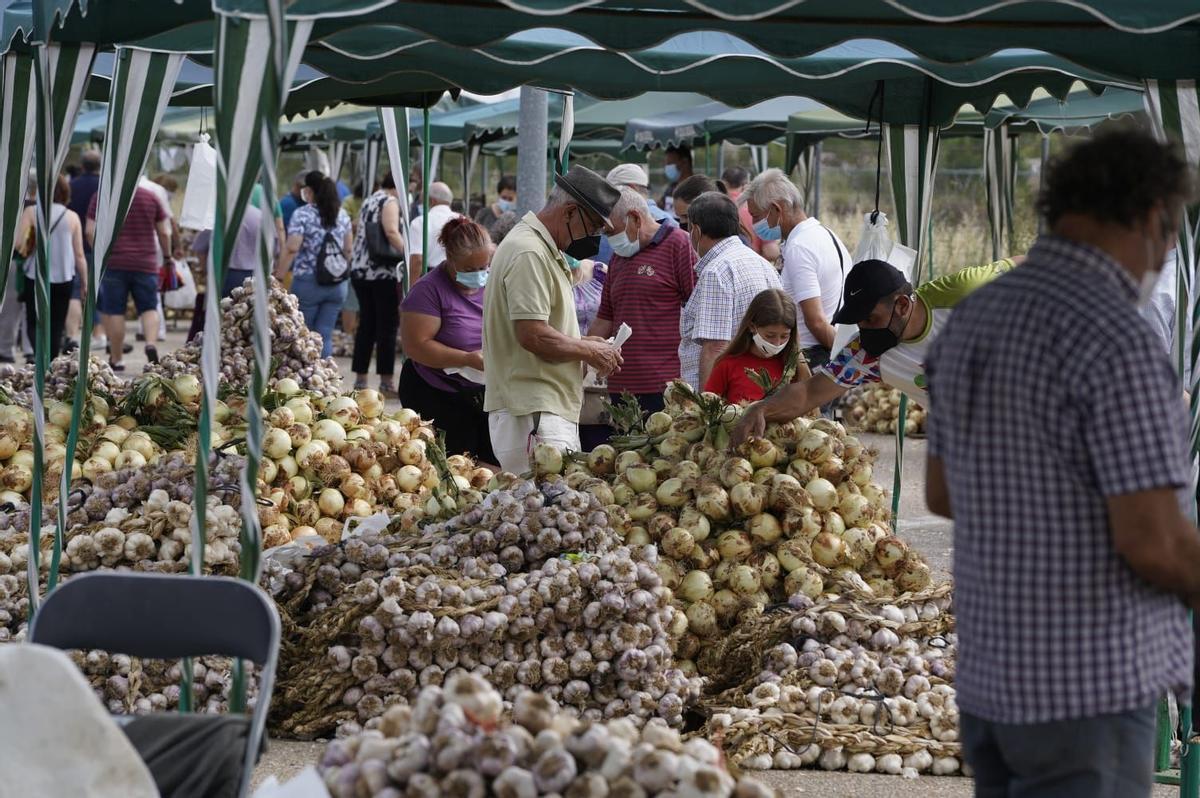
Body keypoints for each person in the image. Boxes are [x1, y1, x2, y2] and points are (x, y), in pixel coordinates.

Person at [923, 128, 1199, 797]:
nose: (1167, 254)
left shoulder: (974, 317)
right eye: (1173, 236)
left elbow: (942, 492)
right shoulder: (1118, 337)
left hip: (993, 682)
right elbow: (1153, 540)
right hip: (1087, 691)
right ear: (1148, 217)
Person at [730, 255, 1017, 445]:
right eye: (859, 322)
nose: (865, 330)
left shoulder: (964, 292)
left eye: (872, 319)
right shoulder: (865, 355)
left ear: (903, 305)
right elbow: (809, 392)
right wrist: (761, 409)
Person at [483, 164, 624, 474]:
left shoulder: (542, 249)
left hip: (542, 406)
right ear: (570, 212)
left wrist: (584, 342)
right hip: (533, 410)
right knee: (543, 510)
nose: (591, 238)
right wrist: (589, 351)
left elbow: (541, 328)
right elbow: (532, 335)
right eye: (591, 228)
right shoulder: (529, 252)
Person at [589, 186, 696, 415]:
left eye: (611, 232)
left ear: (635, 218)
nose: (609, 239)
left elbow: (697, 312)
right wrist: (582, 352)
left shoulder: (679, 244)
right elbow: (605, 317)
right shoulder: (618, 257)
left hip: (665, 389)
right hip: (621, 390)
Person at [400, 217, 496, 464]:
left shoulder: (494, 281)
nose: (478, 275)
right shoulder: (427, 291)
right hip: (435, 391)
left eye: (483, 267)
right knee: (458, 464)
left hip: (482, 390)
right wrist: (465, 358)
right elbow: (416, 346)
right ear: (450, 260)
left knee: (491, 461)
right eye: (469, 270)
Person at [743, 168, 851, 369]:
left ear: (776, 209)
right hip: (829, 349)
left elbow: (816, 322)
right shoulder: (826, 234)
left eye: (756, 216)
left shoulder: (800, 247)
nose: (755, 224)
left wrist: (846, 361)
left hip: (811, 357)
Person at [678, 191, 782, 390]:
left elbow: (714, 347)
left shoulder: (716, 271)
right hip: (756, 385)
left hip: (726, 397)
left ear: (696, 231)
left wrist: (707, 409)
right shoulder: (762, 264)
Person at [87, 181, 170, 371]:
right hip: (146, 263)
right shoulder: (151, 197)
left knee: (115, 311)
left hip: (114, 263)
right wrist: (168, 257)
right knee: (149, 308)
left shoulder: (103, 196)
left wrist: (101, 254)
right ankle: (151, 345)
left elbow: (90, 230)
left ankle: (117, 358)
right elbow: (164, 232)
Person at [276, 172, 353, 359]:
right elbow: (348, 250)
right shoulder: (342, 215)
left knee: (303, 333)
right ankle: (324, 379)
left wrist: (279, 275)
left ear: (309, 191)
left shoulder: (302, 214)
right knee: (324, 334)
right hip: (337, 284)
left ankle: (305, 381)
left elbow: (292, 247)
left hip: (308, 282)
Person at [13, 175, 86, 360]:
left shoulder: (32, 212)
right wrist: (85, 281)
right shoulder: (72, 217)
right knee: (57, 322)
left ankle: (39, 357)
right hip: (64, 276)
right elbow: (79, 255)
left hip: (35, 275)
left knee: (34, 319)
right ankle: (51, 362)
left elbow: (19, 244)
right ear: (65, 192)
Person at [349, 170, 406, 395]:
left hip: (360, 270)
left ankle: (361, 379)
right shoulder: (390, 200)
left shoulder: (370, 199)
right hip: (382, 272)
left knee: (366, 326)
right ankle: (386, 381)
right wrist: (408, 253)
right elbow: (391, 231)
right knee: (387, 327)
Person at [704, 289, 805, 404]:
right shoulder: (727, 364)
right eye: (770, 336)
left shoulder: (794, 367)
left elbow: (811, 412)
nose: (777, 343)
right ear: (752, 327)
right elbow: (708, 408)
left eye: (784, 336)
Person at [596, 163, 675, 264]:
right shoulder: (671, 224)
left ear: (630, 189)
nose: (609, 201)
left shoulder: (608, 222)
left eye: (612, 194)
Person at [65, 149, 101, 350]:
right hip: (97, 246)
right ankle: (98, 333)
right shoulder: (105, 186)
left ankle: (72, 335)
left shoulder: (72, 185)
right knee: (96, 291)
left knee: (76, 292)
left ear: (82, 165)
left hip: (73, 245)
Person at [408, 181, 459, 289]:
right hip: (458, 279)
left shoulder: (420, 222)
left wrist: (411, 290)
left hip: (430, 280)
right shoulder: (463, 221)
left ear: (431, 200)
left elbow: (417, 260)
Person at [722, 165, 777, 262]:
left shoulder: (714, 207)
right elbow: (771, 252)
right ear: (746, 185)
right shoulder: (756, 208)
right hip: (752, 267)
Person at [660, 144, 694, 215]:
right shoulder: (670, 189)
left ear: (684, 162)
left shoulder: (698, 187)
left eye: (670, 163)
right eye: (666, 164)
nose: (667, 167)